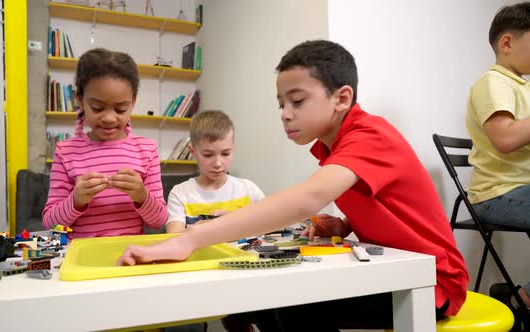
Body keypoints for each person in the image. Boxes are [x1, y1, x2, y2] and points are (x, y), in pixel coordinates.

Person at [118, 40, 469, 330]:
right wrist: (347, 225)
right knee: (251, 303)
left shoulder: (369, 134)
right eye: (281, 104)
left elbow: (308, 198)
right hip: (396, 268)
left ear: (341, 98)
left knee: (290, 304)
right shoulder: (334, 146)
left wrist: (189, 239)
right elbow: (395, 212)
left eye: (297, 101)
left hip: (434, 283)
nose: (285, 113)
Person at [42, 48, 167, 240]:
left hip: (129, 256)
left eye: (120, 109)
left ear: (132, 103)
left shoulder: (146, 150)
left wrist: (142, 195)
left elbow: (159, 221)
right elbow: (50, 224)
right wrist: (76, 200)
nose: (109, 118)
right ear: (80, 100)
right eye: (98, 108)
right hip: (80, 257)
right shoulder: (66, 151)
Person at [466, 2, 530, 316]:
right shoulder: (493, 83)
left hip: (525, 189)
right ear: (507, 43)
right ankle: (526, 299)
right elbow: (506, 138)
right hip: (498, 193)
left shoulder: (529, 89)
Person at [165, 110, 265, 234]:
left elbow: (272, 224)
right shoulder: (180, 194)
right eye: (208, 155)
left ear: (233, 148)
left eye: (225, 153)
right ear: (192, 151)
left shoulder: (248, 189)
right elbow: (173, 239)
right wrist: (203, 229)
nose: (218, 163)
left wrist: (234, 220)